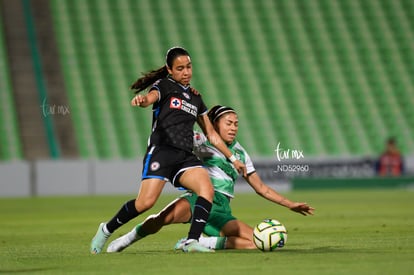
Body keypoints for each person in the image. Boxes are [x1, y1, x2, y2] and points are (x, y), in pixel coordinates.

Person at [90, 47, 246, 254]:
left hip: (184, 156)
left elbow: (212, 134)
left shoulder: (196, 98)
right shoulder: (163, 85)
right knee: (145, 203)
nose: (186, 72)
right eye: (180, 68)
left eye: (188, 67)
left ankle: (192, 241)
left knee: (206, 190)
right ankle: (107, 229)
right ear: (169, 70)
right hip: (162, 152)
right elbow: (151, 97)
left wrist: (233, 158)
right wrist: (142, 100)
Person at [106, 105, 315, 252]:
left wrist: (291, 205)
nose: (233, 127)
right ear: (215, 125)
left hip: (222, 209)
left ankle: (202, 243)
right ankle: (125, 240)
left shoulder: (241, 154)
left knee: (258, 242)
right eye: (228, 123)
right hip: (199, 200)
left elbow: (261, 188)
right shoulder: (202, 140)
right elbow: (176, 139)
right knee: (161, 219)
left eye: (236, 124)